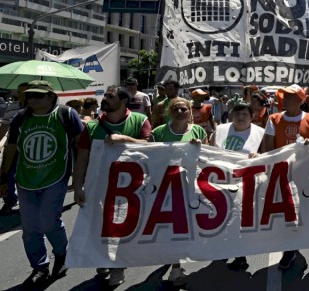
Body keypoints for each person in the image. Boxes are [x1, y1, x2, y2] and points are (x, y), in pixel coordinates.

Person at [0, 81, 84, 288]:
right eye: (29, 95)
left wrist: (82, 177)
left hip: (56, 177)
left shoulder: (66, 114)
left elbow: (82, 144)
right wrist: (3, 177)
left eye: (38, 95)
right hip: (25, 179)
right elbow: (11, 148)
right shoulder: (21, 118)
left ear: (50, 97)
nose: (32, 99)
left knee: (48, 221)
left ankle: (62, 254)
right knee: (29, 228)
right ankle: (39, 267)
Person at [73, 85, 151, 286]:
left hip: (129, 188)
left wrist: (124, 139)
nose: (105, 99)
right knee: (99, 225)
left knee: (121, 228)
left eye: (110, 96)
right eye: (105, 96)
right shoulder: (91, 127)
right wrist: (78, 187)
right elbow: (82, 158)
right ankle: (103, 259)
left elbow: (150, 147)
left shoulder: (139, 120)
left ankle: (117, 266)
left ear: (123, 101)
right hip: (98, 185)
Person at [150, 97, 206, 286]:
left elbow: (208, 158)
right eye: (177, 109)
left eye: (184, 109)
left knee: (185, 226)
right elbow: (148, 157)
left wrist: (200, 148)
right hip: (165, 186)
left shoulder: (198, 131)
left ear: (190, 111)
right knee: (172, 227)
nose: (181, 112)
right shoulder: (158, 132)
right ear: (170, 111)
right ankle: (175, 265)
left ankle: (176, 263)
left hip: (190, 186)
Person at [259, 84, 309, 270]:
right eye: (285, 97)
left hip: (304, 174)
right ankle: (290, 247)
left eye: (292, 97)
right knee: (284, 212)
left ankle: (293, 246)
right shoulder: (273, 119)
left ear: (301, 100)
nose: (287, 100)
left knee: (301, 211)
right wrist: (270, 169)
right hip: (281, 172)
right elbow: (268, 146)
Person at [211, 101, 264, 271]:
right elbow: (209, 150)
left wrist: (259, 155)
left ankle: (241, 255)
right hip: (222, 181)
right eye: (237, 114)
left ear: (252, 117)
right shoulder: (220, 131)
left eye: (245, 114)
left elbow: (268, 155)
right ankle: (226, 248)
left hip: (245, 183)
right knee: (222, 217)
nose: (240, 117)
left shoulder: (260, 134)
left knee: (240, 219)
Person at [0, 82, 29, 215]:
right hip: (11, 148)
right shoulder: (12, 108)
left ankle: (28, 204)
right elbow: (4, 127)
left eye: (25, 92)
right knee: (7, 175)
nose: (22, 94)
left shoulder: (38, 110)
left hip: (29, 150)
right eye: (20, 91)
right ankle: (10, 200)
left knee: (26, 178)